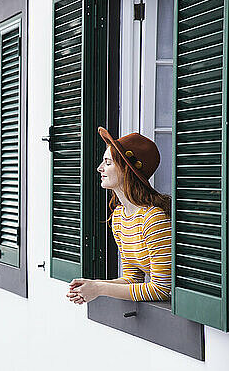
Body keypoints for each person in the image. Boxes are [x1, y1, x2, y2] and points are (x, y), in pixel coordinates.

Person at [66, 127, 172, 304]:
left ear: (127, 169)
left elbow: (162, 289)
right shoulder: (119, 218)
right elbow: (132, 278)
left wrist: (100, 288)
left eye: (107, 163)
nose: (100, 168)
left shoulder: (154, 219)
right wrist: (92, 285)